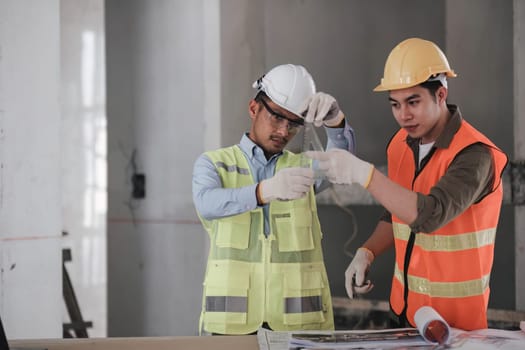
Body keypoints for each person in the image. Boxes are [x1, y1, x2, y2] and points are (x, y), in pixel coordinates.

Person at [307, 37, 508, 331]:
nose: (403, 115)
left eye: (413, 102)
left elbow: (429, 214)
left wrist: (365, 174)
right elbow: (397, 211)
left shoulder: (475, 155)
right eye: (395, 104)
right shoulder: (400, 145)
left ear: (441, 95)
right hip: (404, 315)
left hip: (457, 328)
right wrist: (367, 251)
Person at [192, 64, 356, 335]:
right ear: (253, 109)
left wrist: (336, 122)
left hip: (299, 325)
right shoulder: (215, 163)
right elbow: (206, 203)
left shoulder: (304, 167)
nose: (284, 131)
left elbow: (342, 165)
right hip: (232, 326)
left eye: (294, 124)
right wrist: (262, 192)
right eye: (278, 118)